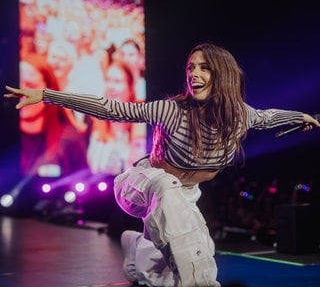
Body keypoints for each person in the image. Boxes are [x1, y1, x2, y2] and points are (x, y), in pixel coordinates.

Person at [4, 42, 319, 287]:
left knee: (173, 266)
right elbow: (111, 108)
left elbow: (267, 118)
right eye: (190, 68)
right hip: (142, 184)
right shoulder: (170, 110)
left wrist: (301, 117)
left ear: (221, 74)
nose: (193, 74)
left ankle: (135, 248)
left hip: (183, 194)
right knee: (187, 244)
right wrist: (46, 94)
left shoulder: (240, 115)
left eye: (204, 68)